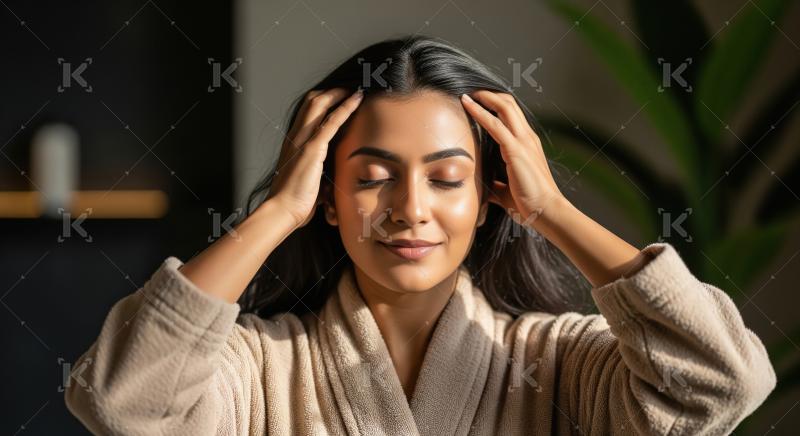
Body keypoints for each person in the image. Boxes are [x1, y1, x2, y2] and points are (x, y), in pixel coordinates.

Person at [65, 35, 776, 435]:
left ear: (491, 197)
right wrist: (278, 211)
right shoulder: (257, 370)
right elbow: (121, 401)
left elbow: (721, 383)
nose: (410, 209)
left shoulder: (562, 364)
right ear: (327, 197)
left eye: (446, 177)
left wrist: (553, 210)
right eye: (374, 176)